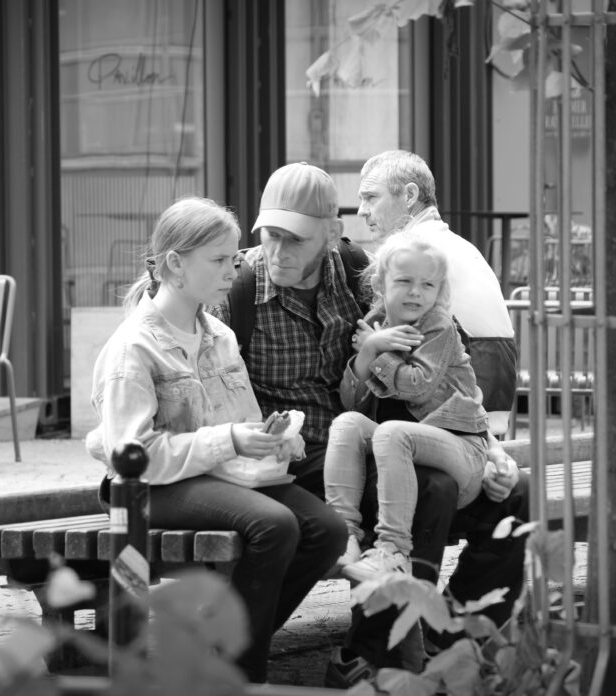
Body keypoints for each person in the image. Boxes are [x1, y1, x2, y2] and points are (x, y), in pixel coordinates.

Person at [214, 159, 527, 687]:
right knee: (429, 489)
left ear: (333, 236)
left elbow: (450, 378)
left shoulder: (362, 276)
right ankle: (378, 661)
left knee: (513, 493)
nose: (277, 251)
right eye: (268, 236)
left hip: (364, 442)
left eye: (294, 239)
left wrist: (492, 449)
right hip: (288, 459)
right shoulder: (239, 290)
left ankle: (452, 642)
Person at [85, 196, 346, 684]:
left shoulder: (221, 334)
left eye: (235, 258)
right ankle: (240, 673)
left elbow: (242, 421)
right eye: (221, 260)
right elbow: (132, 457)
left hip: (214, 477)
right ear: (175, 265)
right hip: (145, 490)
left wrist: (271, 439)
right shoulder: (132, 347)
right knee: (275, 524)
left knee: (326, 531)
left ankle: (217, 650)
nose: (237, 268)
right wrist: (229, 440)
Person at [327, 230, 509, 582]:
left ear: (440, 290)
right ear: (381, 283)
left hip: (463, 451)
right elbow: (351, 399)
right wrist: (369, 349)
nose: (416, 292)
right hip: (420, 446)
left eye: (428, 285)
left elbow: (417, 385)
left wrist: (381, 353)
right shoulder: (376, 324)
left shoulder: (438, 326)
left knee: (393, 434)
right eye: (405, 281)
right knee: (348, 424)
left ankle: (392, 550)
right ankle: (343, 536)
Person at [357, 149, 518, 412]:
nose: (363, 211)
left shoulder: (414, 252)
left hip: (460, 403)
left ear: (409, 195)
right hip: (492, 396)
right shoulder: (459, 245)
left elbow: (375, 328)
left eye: (371, 197)